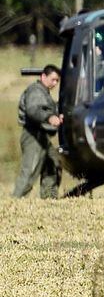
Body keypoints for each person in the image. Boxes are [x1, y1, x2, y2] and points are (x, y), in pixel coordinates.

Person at [13, 65, 63, 198]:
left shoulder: (43, 93)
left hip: (42, 136)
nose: (55, 83)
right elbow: (33, 110)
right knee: (30, 171)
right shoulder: (36, 91)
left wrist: (58, 114)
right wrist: (49, 117)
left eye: (57, 81)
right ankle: (15, 201)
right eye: (53, 79)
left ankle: (49, 199)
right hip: (33, 135)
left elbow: (47, 108)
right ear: (43, 76)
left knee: (53, 164)